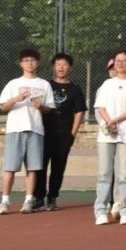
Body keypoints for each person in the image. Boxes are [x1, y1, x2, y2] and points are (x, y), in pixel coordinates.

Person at [0, 49, 55, 215]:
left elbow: (49, 109)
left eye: (33, 60)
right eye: (26, 60)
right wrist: (16, 99)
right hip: (15, 129)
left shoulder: (44, 84)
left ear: (38, 63)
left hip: (36, 130)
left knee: (33, 168)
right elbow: (3, 107)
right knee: (10, 168)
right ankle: (4, 202)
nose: (30, 63)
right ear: (21, 63)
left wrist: (40, 107)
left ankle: (28, 200)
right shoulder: (13, 84)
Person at [92, 50, 126, 224]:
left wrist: (115, 121)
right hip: (106, 134)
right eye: (117, 60)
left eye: (124, 60)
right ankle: (101, 210)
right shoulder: (107, 84)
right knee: (104, 173)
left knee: (124, 174)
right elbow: (100, 107)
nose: (120, 63)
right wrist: (109, 122)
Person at [32, 53, 86, 212]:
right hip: (43, 132)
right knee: (40, 166)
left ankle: (52, 197)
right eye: (58, 64)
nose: (61, 67)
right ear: (53, 67)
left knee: (58, 168)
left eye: (64, 64)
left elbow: (79, 112)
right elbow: (36, 105)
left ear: (70, 67)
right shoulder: (45, 85)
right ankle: (38, 198)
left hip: (63, 134)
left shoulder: (75, 89)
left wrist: (72, 134)